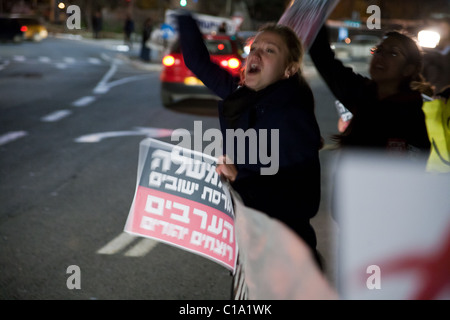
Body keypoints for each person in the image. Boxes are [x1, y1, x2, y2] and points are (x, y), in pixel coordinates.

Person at [175, 11, 324, 269]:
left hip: (285, 255)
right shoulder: (241, 94)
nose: (255, 54)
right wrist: (183, 16)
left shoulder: (293, 117)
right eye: (254, 47)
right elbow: (198, 62)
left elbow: (304, 200)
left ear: (289, 69)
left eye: (269, 50)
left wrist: (239, 177)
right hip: (251, 244)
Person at [309, 26, 432, 158]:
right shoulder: (361, 91)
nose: (381, 56)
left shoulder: (416, 114)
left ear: (408, 69)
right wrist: (317, 14)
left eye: (393, 53)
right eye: (379, 50)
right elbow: (323, 57)